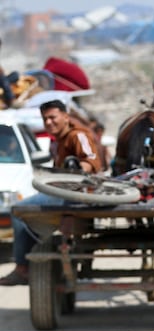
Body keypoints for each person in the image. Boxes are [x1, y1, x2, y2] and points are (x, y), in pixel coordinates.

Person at [0, 100, 101, 286]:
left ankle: (22, 269)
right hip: (63, 193)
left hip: (76, 195)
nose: (48, 123)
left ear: (65, 117)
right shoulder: (58, 141)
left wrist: (78, 168)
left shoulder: (78, 135)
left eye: (53, 118)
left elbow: (92, 161)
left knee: (19, 211)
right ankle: (37, 250)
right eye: (45, 119)